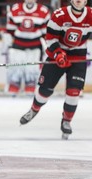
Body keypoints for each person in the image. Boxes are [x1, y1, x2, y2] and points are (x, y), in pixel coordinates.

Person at [20, 0, 92, 139]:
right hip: (58, 54)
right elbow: (50, 39)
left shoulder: (91, 14)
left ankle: (66, 122)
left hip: (78, 56)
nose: (78, 0)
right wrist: (58, 53)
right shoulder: (59, 15)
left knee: (74, 92)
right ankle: (34, 110)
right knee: (45, 90)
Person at [2, 0, 50, 95]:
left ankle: (31, 85)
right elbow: (10, 30)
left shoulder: (44, 11)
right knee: (16, 66)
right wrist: (6, 43)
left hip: (35, 45)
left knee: (32, 68)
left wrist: (46, 45)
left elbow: (46, 33)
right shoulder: (15, 9)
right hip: (18, 44)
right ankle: (13, 85)